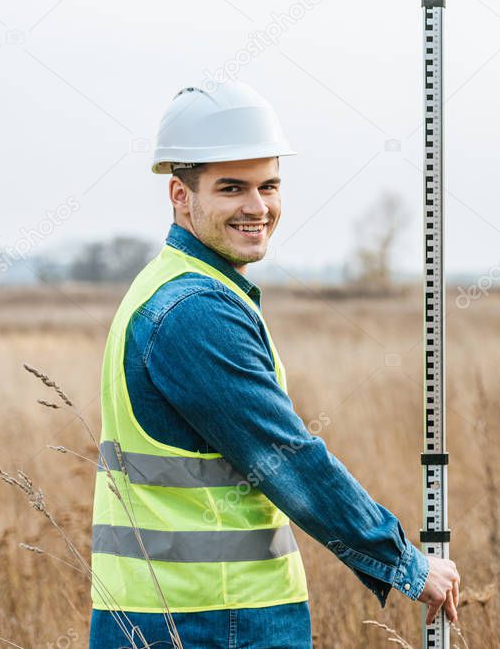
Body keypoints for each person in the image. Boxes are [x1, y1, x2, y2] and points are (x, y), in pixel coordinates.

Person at [88, 82, 459, 648]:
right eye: (232, 188)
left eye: (269, 186)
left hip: (165, 612)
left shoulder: (168, 288)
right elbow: (286, 457)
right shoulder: (194, 312)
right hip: (216, 619)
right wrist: (404, 561)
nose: (258, 207)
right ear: (180, 195)